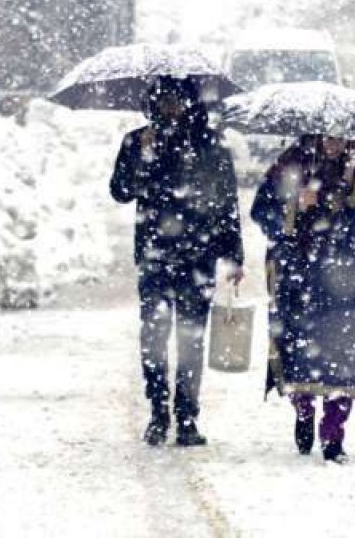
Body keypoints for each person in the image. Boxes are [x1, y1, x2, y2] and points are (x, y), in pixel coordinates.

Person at [109, 76, 244, 447]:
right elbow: (120, 191)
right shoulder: (138, 141)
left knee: (191, 339)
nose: (170, 108)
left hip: (198, 255)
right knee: (153, 335)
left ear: (189, 102)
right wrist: (141, 159)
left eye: (176, 100)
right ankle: (157, 411)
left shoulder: (210, 142)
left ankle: (186, 416)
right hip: (155, 254)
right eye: (162, 101)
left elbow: (227, 202)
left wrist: (233, 255)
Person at [251, 134, 355, 463]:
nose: (334, 143)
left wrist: (346, 206)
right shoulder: (289, 165)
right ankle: (303, 410)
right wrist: (295, 206)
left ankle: (333, 433)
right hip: (297, 278)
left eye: (341, 136)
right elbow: (261, 212)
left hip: (344, 277)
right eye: (327, 136)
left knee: (343, 354)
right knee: (299, 349)